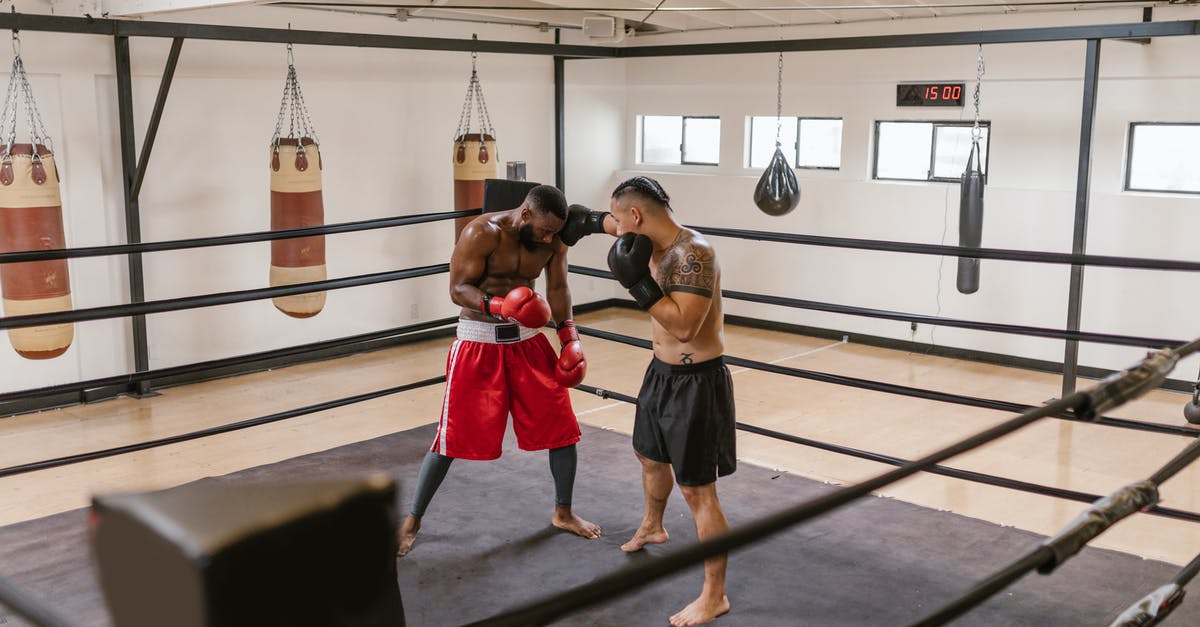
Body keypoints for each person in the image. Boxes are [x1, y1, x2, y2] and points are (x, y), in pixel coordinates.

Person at [559, 176, 734, 626]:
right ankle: (654, 525)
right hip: (660, 374)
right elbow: (595, 222)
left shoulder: (693, 254)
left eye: (618, 219)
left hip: (696, 381)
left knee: (696, 490)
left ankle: (714, 595)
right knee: (649, 455)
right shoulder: (646, 240)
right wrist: (580, 223)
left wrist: (638, 285)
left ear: (636, 216)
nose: (614, 227)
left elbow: (683, 328)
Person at [396, 184, 600, 557]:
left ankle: (563, 512)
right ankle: (412, 520)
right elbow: (458, 288)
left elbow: (557, 288)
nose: (549, 237)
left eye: (554, 232)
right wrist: (500, 305)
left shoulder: (553, 242)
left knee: (561, 428)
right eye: (543, 230)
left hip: (528, 341)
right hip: (479, 342)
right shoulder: (481, 232)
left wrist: (569, 335)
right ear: (525, 214)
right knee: (450, 437)